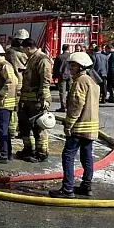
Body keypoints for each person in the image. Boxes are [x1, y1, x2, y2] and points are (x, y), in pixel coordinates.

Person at [50, 52, 100, 198]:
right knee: (87, 156)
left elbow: (76, 105)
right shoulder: (92, 81)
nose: (70, 68)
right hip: (91, 128)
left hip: (78, 127)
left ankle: (67, 189)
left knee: (68, 156)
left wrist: (68, 124)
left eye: (73, 65)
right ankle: (86, 186)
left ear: (81, 67)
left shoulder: (79, 82)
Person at [18, 38, 52, 163]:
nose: (23, 53)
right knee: (24, 126)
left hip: (37, 100)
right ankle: (28, 149)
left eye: (24, 50)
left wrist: (45, 99)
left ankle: (41, 152)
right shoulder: (31, 59)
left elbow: (45, 81)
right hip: (27, 99)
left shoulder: (42, 59)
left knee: (38, 127)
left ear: (28, 48)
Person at [6, 30, 29, 138]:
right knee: (20, 109)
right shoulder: (26, 54)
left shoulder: (9, 52)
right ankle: (19, 130)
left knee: (14, 109)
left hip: (13, 84)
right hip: (23, 84)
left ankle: (12, 130)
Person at [53, 44, 72, 112]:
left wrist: (54, 76)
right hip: (70, 75)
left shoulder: (59, 57)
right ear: (68, 49)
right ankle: (69, 105)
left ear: (62, 49)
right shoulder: (71, 56)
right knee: (70, 91)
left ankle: (63, 107)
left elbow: (55, 67)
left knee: (62, 92)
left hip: (61, 76)